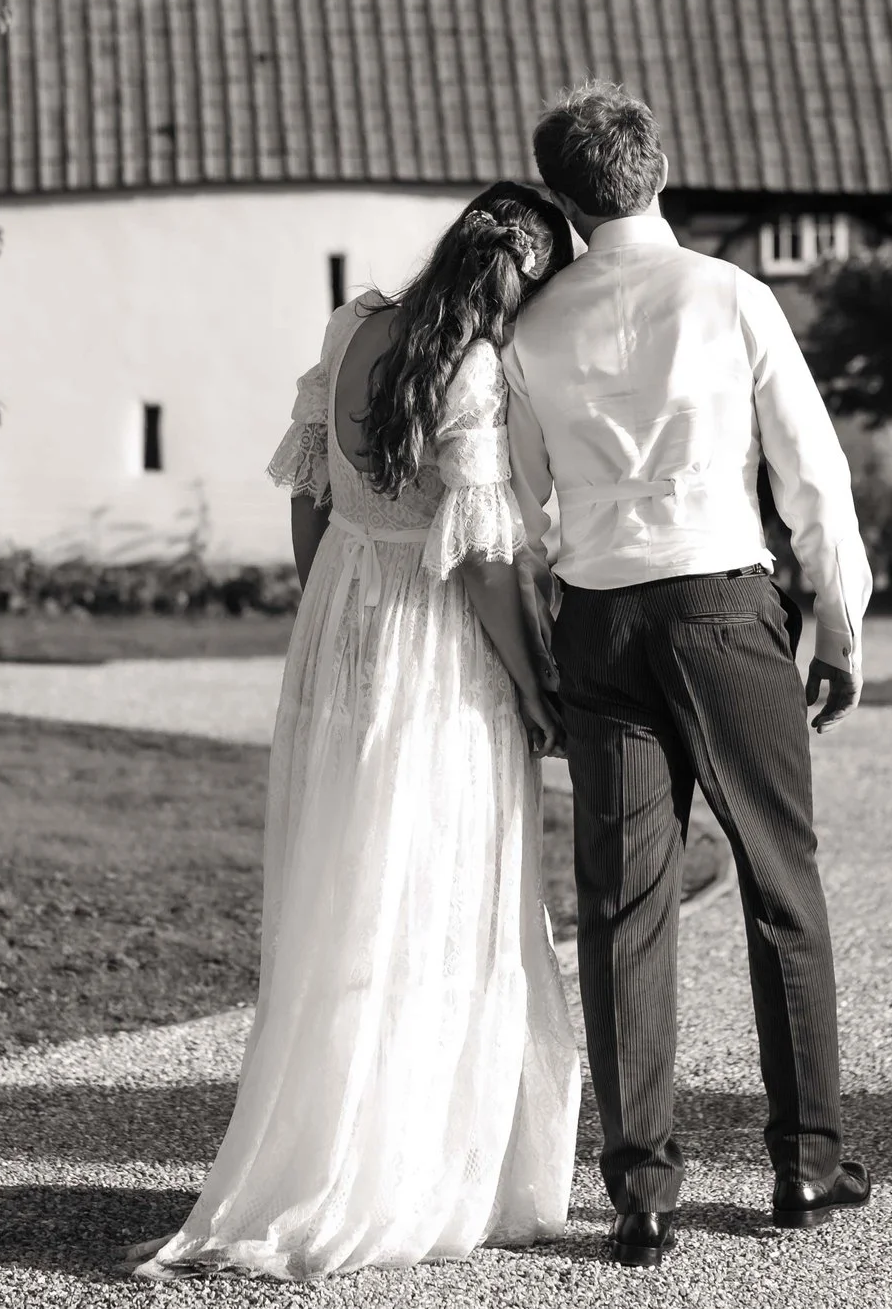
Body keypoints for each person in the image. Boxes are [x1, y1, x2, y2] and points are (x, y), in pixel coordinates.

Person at [130, 181, 581, 1281]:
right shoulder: (473, 369)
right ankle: (409, 1165)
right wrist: (534, 687)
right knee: (430, 881)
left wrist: (332, 602)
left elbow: (305, 498)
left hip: (339, 619)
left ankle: (319, 1144)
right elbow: (477, 562)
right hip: (436, 649)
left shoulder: (352, 326)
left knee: (344, 880)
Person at [503, 81, 875, 1269]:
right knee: (782, 883)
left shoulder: (532, 324)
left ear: (561, 196)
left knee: (622, 911)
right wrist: (843, 627)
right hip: (721, 605)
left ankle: (641, 1193)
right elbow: (812, 474)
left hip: (600, 620)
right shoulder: (730, 295)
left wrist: (540, 647)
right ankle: (806, 1163)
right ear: (658, 169)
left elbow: (514, 510)